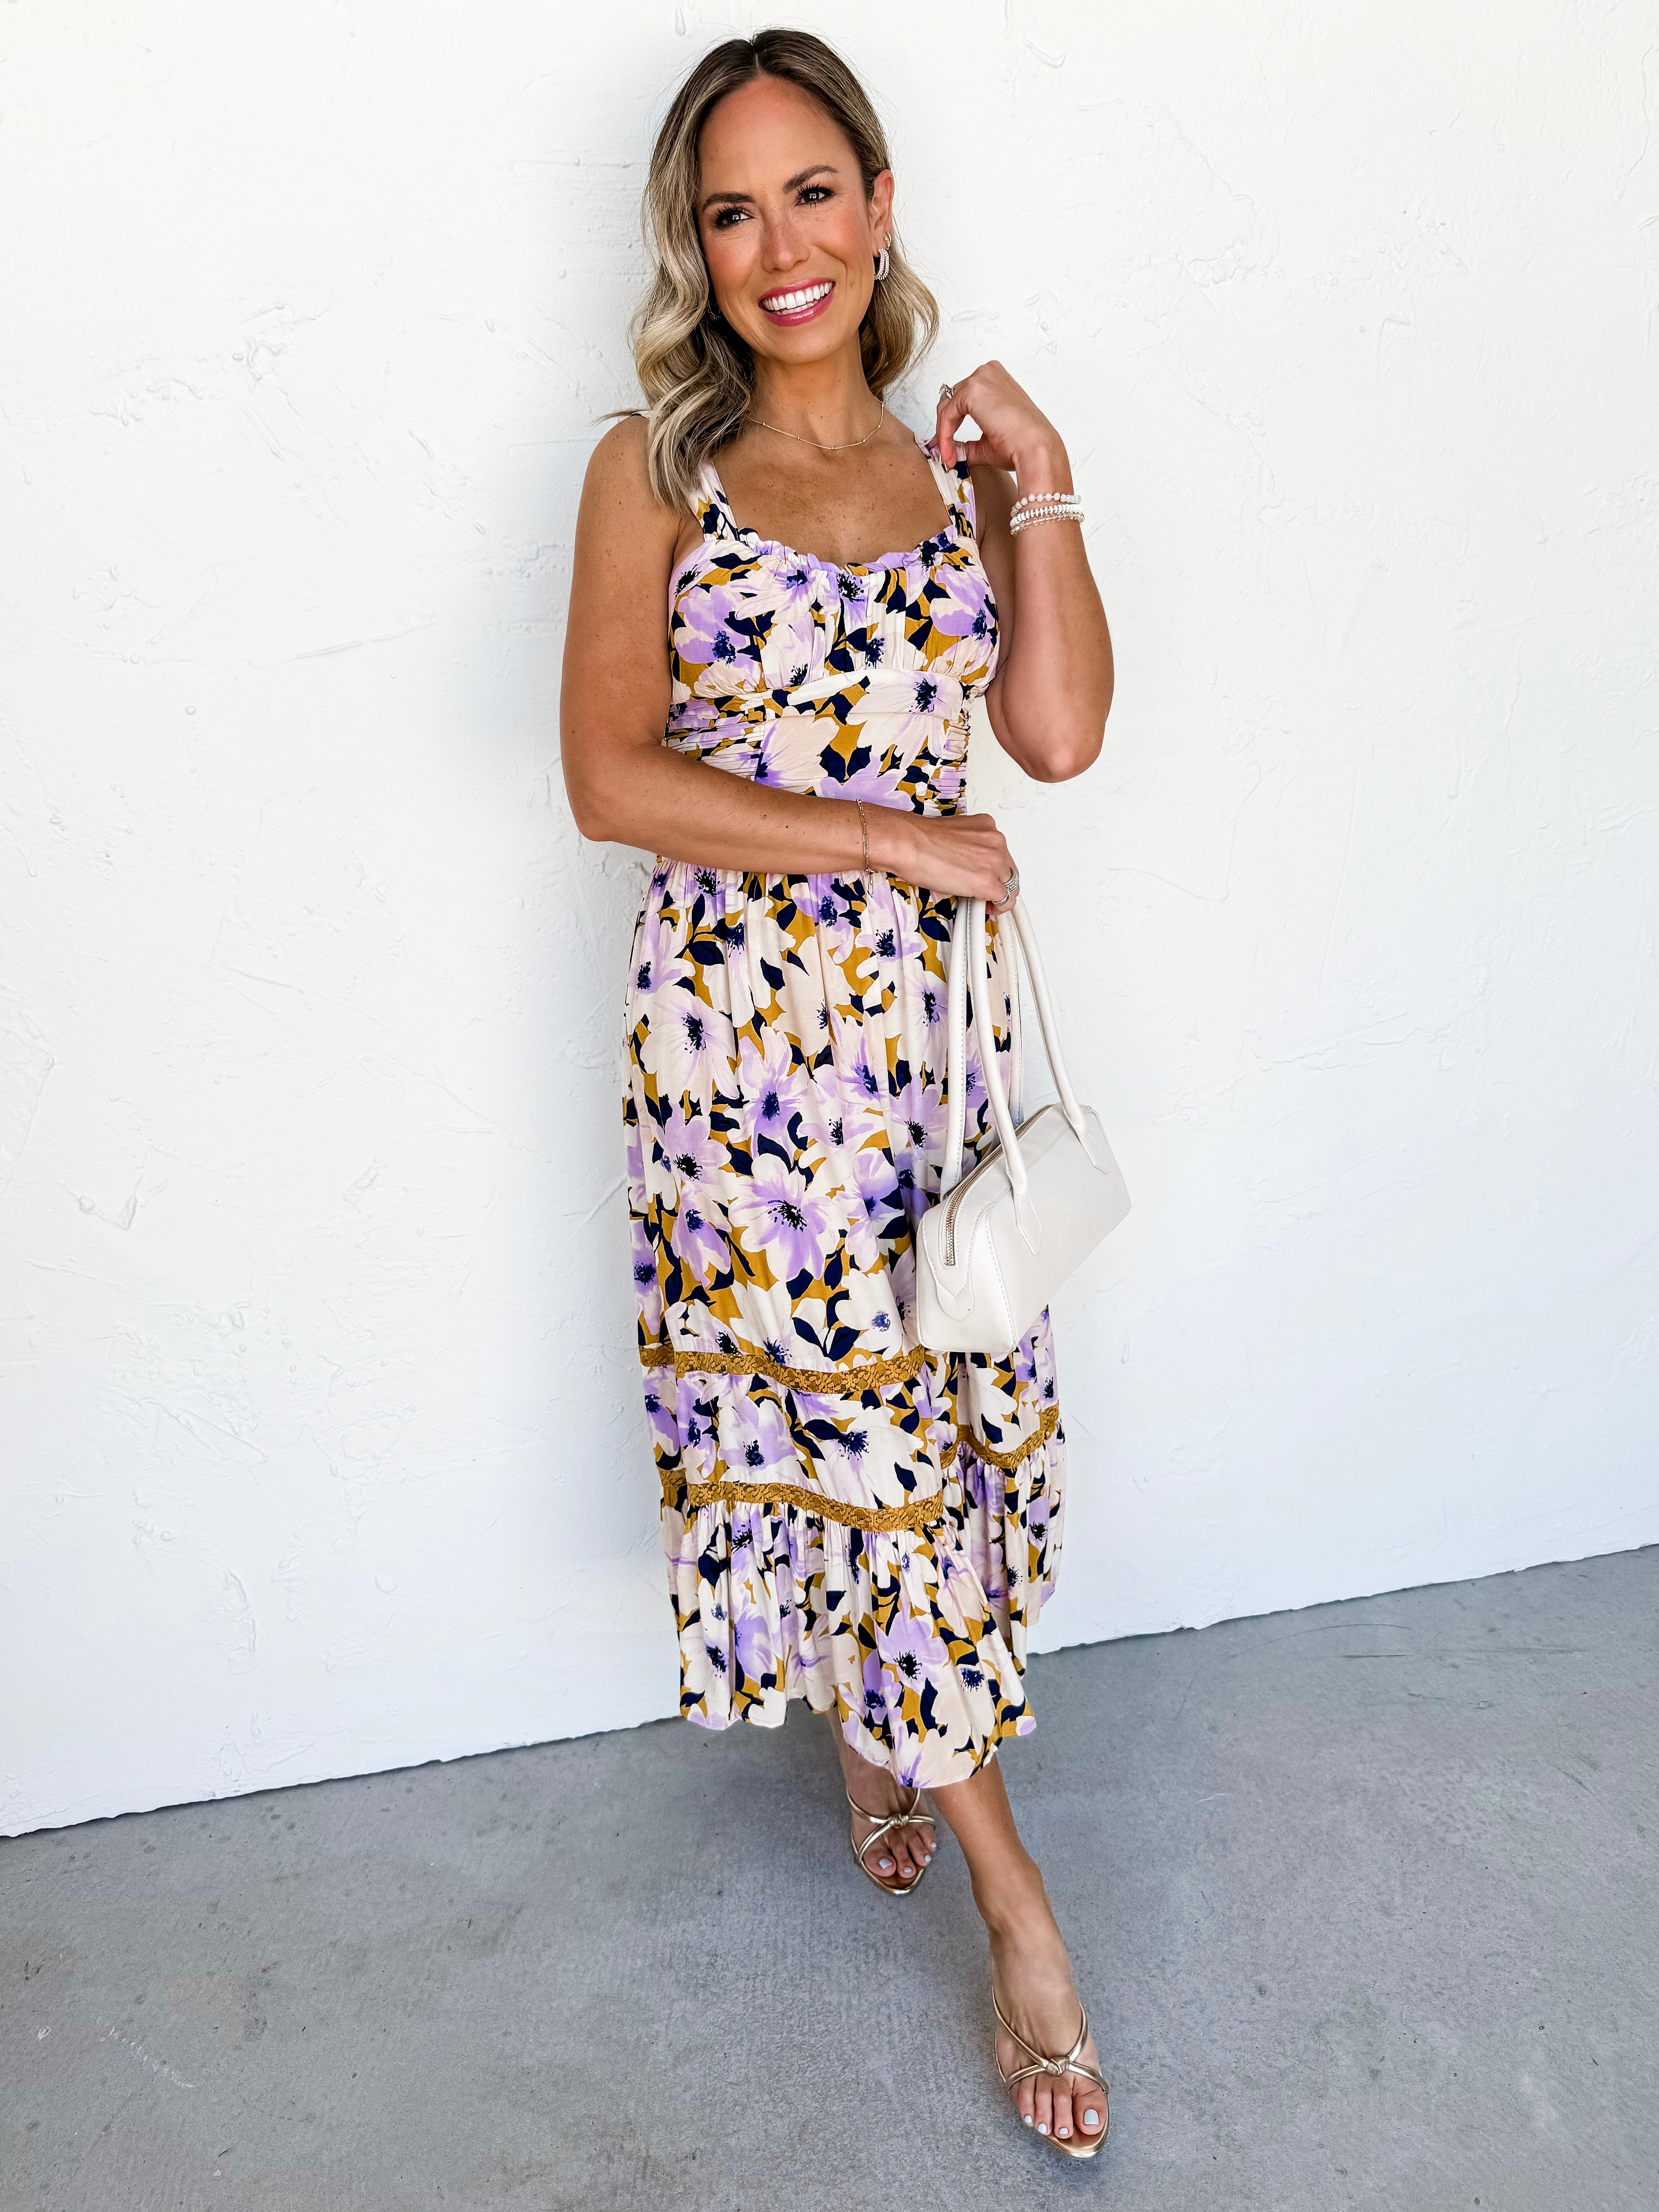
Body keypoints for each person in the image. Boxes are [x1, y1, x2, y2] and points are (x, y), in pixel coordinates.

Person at [560, 28, 1114, 2158]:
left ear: (880, 208)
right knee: (862, 1440)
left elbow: (1053, 736)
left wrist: (1039, 472)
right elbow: (609, 777)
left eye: (812, 192)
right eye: (731, 210)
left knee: (920, 1434)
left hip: (931, 1061)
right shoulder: (652, 471)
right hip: (744, 1072)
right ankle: (1018, 1902)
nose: (778, 244)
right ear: (694, 251)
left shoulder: (949, 469)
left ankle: (884, 1730)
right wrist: (890, 839)